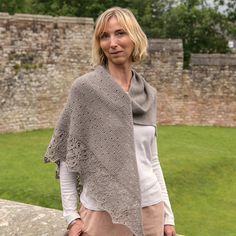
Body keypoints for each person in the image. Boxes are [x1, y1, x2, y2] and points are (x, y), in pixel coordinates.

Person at [44, 6, 176, 236]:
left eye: (120, 33)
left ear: (134, 37)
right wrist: (71, 217)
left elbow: (152, 160)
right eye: (104, 36)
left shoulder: (147, 94)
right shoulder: (86, 89)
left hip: (151, 212)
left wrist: (168, 216)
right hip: (102, 213)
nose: (112, 42)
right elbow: (68, 158)